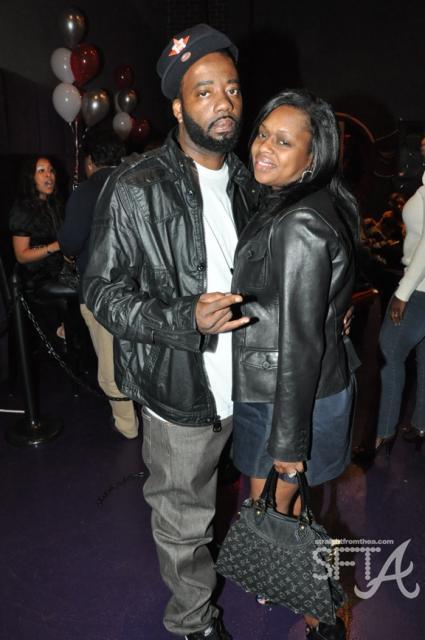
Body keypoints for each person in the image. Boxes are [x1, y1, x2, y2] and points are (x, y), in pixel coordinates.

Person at [83, 24, 258, 640]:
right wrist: (184, 317)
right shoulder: (135, 187)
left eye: (231, 88)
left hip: (252, 384)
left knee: (248, 497)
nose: (223, 102)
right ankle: (191, 623)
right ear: (179, 107)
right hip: (181, 388)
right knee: (185, 522)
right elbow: (100, 291)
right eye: (204, 91)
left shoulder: (251, 182)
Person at [231, 89, 360, 640]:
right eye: (263, 133)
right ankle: (315, 606)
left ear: (313, 156)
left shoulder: (300, 221)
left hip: (285, 393)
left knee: (282, 516)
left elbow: (301, 341)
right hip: (288, 386)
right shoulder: (300, 203)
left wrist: (287, 448)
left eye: (284, 142)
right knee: (286, 512)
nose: (264, 147)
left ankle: (324, 617)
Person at [57, 129, 139, 439]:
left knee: (110, 364)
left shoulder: (87, 191)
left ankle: (127, 426)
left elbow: (70, 240)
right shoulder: (137, 183)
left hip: (101, 290)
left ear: (90, 161)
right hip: (142, 288)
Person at [375, 171, 425, 448]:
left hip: (419, 289)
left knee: (389, 356)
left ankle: (382, 435)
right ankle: (421, 426)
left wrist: (403, 293)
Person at [9, 155, 69, 339]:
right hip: (37, 281)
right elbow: (21, 255)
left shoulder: (54, 204)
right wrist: (55, 247)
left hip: (58, 273)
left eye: (51, 170)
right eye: (41, 171)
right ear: (31, 178)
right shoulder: (23, 210)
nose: (48, 175)